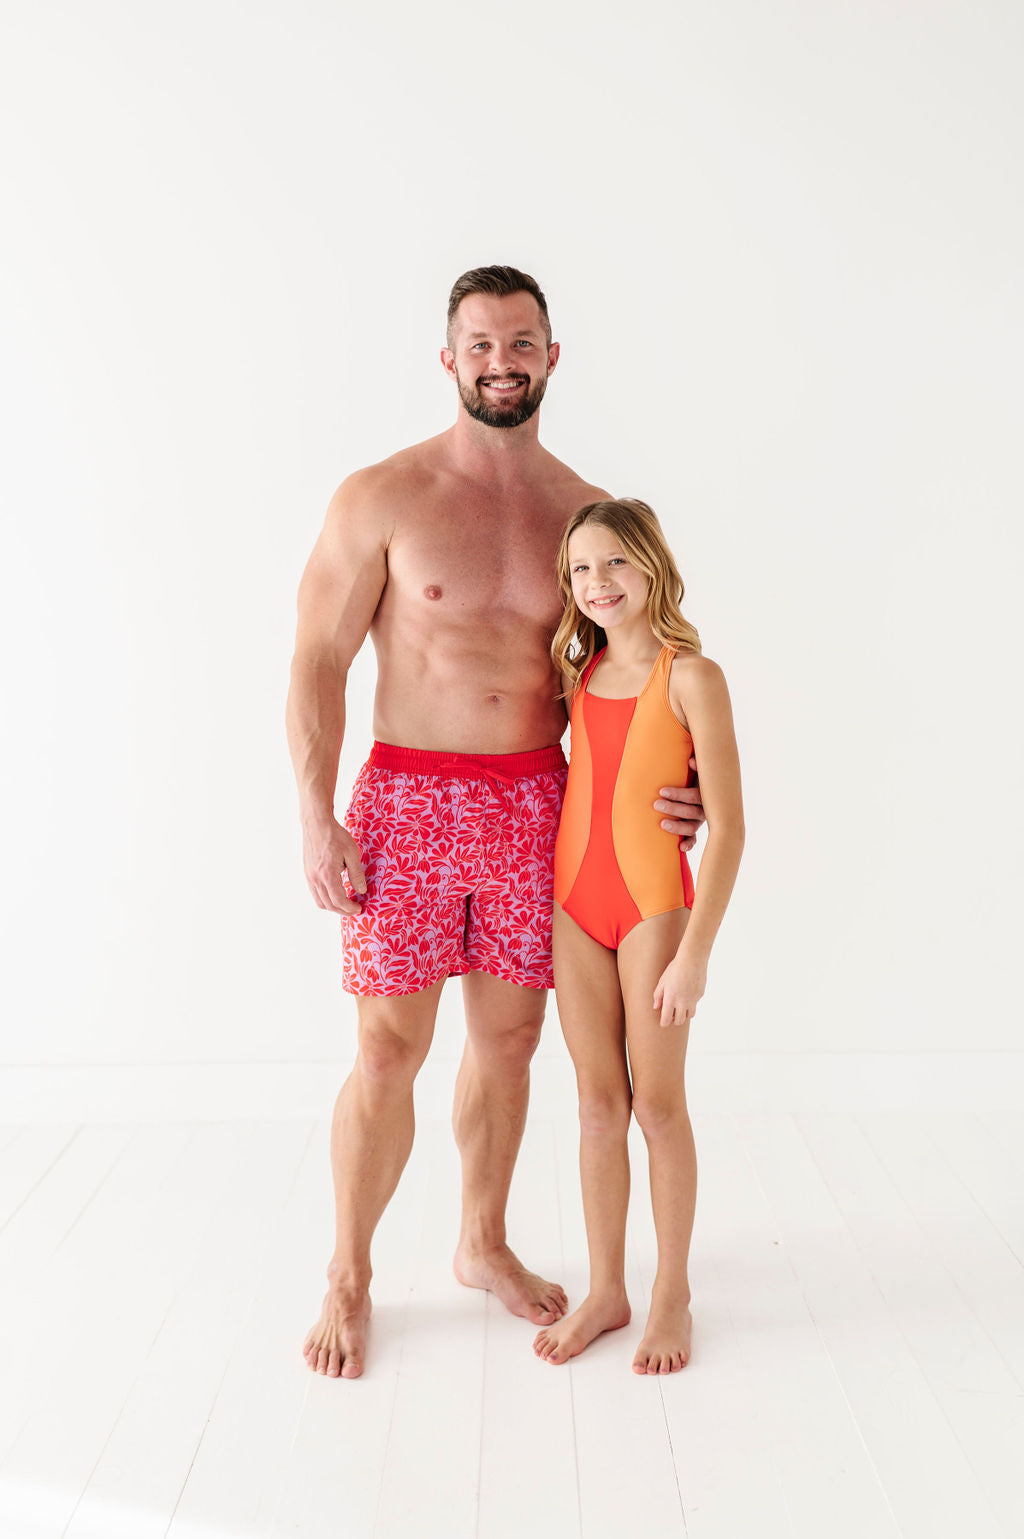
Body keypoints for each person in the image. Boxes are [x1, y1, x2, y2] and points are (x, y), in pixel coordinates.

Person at [285, 267, 705, 1379]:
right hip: (407, 801)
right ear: (449, 360)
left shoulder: (589, 515)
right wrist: (316, 814)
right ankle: (348, 1272)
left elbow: (642, 668)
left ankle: (482, 1240)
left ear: (552, 357)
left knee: (511, 1043)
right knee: (388, 1047)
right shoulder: (382, 496)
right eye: (480, 344)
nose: (501, 362)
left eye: (521, 342)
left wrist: (689, 780)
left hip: (537, 803)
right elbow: (318, 658)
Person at [533, 499, 744, 1374]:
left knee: (657, 1107)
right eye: (581, 569)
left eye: (616, 562)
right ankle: (608, 1289)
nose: (598, 582)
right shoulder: (577, 674)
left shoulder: (692, 676)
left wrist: (695, 952)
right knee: (596, 1104)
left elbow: (727, 829)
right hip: (573, 908)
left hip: (655, 910)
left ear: (653, 563)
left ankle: (672, 1293)